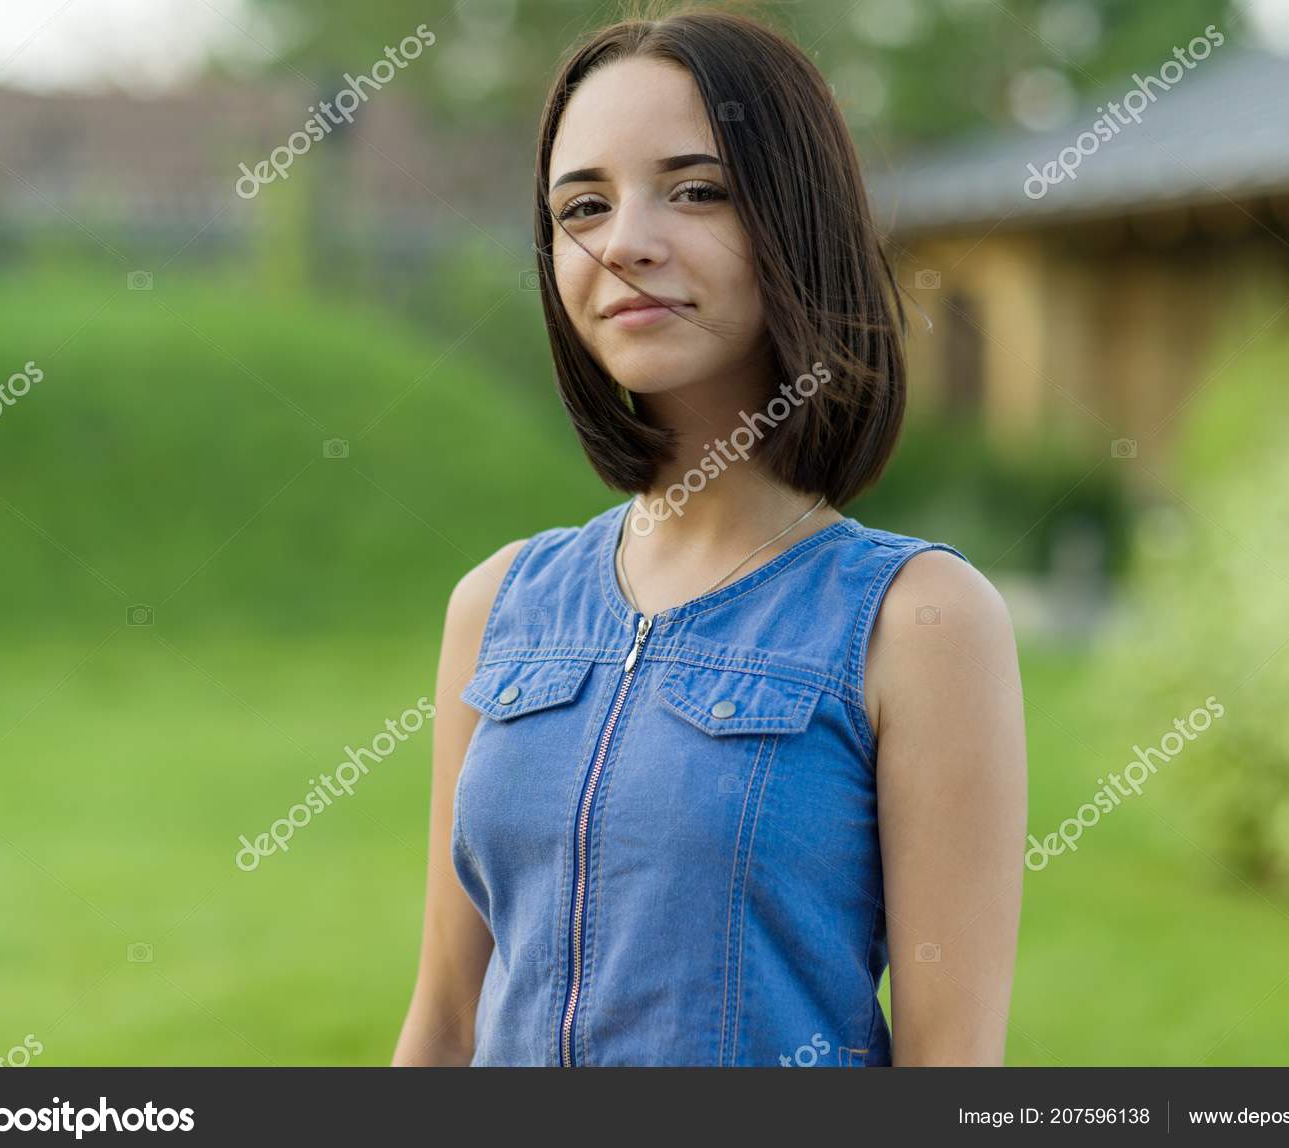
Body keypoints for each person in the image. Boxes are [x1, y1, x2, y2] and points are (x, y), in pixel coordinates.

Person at [393, 5, 1026, 1067]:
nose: (626, 240)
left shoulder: (917, 621)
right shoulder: (495, 605)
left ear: (795, 219)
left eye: (696, 190)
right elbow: (447, 1021)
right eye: (582, 206)